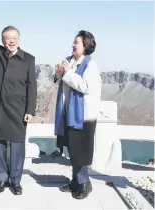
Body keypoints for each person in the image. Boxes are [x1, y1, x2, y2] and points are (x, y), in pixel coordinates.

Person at [0, 14, 37, 195]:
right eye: (7, 38)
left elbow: (32, 86)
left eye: (14, 38)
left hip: (18, 110)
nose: (11, 41)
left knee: (18, 147)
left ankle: (16, 181)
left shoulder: (28, 59)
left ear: (19, 40)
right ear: (3, 40)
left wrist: (30, 110)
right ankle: (2, 179)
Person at [54, 30, 101, 200]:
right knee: (73, 149)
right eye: (73, 42)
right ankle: (75, 181)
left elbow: (85, 87)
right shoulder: (70, 61)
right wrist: (59, 74)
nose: (73, 45)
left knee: (80, 151)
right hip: (69, 113)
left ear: (85, 46)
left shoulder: (90, 66)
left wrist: (67, 74)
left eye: (77, 42)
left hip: (83, 117)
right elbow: (65, 82)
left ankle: (85, 184)